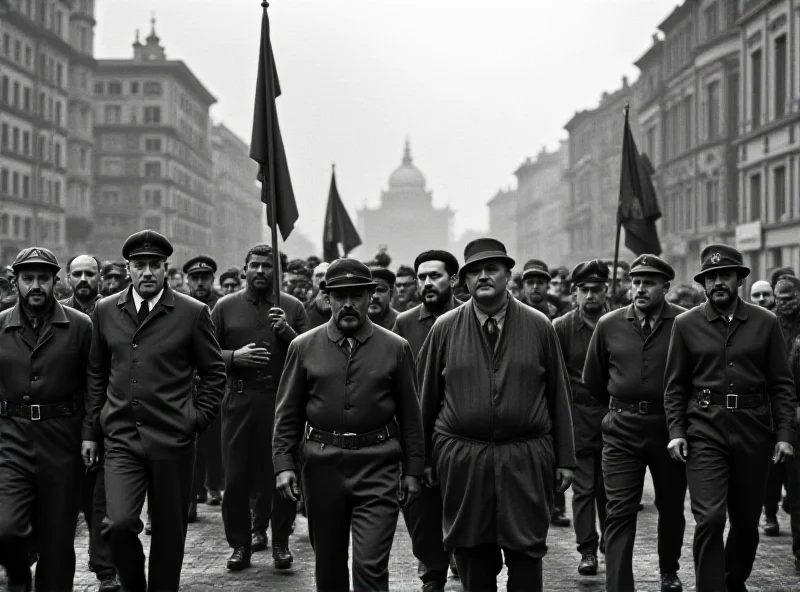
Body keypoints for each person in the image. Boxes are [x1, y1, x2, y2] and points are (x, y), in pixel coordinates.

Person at [418, 238, 575, 592]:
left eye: (492, 269)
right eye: (474, 271)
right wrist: (423, 458)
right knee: (472, 554)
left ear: (508, 275)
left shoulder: (539, 326)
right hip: (463, 459)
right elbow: (426, 398)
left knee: (527, 552)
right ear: (464, 280)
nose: (483, 276)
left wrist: (565, 458)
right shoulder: (444, 328)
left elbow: (559, 396)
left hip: (525, 457)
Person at [84, 230, 226, 592]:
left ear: (166, 269)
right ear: (128, 270)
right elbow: (97, 371)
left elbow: (213, 372)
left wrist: (197, 419)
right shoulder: (105, 310)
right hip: (120, 437)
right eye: (139, 265)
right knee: (117, 523)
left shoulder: (192, 313)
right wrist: (91, 429)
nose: (147, 273)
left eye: (155, 265)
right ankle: (134, 584)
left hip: (173, 439)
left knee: (168, 530)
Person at [273, 259, 424, 591]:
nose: (348, 304)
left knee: (370, 566)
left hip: (378, 466)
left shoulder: (395, 348)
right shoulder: (303, 347)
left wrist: (413, 469)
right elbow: (288, 414)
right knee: (328, 565)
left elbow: (411, 415)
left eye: (357, 295)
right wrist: (284, 464)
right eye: (339, 296)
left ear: (370, 297)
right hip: (322, 466)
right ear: (327, 298)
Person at [664, 243, 796, 592]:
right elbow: (674, 386)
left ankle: (731, 580)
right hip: (704, 429)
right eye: (711, 277)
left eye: (725, 275)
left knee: (745, 521)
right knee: (709, 517)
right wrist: (677, 431)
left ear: (739, 279)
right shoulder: (685, 324)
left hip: (754, 431)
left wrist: (784, 434)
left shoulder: (766, 323)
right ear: (703, 285)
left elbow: (782, 385)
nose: (718, 282)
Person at [583, 254, 686, 592]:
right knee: (619, 510)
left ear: (665, 287)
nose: (640, 289)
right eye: (636, 282)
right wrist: (621, 406)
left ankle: (668, 570)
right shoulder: (609, 324)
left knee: (670, 506)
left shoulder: (684, 324)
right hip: (621, 429)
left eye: (649, 282)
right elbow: (593, 379)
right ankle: (618, 585)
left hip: (669, 428)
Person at [0, 248, 92, 592]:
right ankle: (20, 576)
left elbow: (92, 387)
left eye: (43, 278)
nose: (35, 285)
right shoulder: (0, 325)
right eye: (28, 279)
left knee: (56, 540)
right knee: (6, 528)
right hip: (11, 438)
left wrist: (89, 434)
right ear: (16, 283)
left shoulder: (80, 326)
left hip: (63, 441)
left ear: (56, 282)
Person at [212, 244, 308, 571]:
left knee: (280, 474)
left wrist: (288, 333)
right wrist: (233, 358)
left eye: (268, 267)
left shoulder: (292, 308)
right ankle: (240, 545)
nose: (261, 272)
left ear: (276, 272)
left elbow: (313, 358)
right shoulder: (224, 308)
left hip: (281, 402)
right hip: (238, 401)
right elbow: (203, 356)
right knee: (236, 478)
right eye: (254, 266)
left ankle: (280, 542)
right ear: (244, 270)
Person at [392, 249, 462, 592]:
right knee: (420, 515)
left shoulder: (470, 317)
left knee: (464, 511)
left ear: (453, 279)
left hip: (462, 436)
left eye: (435, 276)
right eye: (422, 277)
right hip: (418, 435)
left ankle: (461, 561)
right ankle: (431, 575)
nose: (427, 283)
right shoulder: (404, 324)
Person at [60, 254, 119, 592]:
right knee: (63, 499)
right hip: (64, 421)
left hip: (104, 419)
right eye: (77, 273)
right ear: (67, 278)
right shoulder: (58, 315)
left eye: (90, 273)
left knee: (102, 500)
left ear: (100, 277)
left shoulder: (113, 312)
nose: (84, 279)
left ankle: (106, 570)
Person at [553, 260, 610, 576]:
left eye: (596, 290)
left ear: (606, 291)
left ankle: (609, 540)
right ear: (575, 293)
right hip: (577, 420)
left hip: (614, 420)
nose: (590, 295)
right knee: (584, 490)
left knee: (610, 490)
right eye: (584, 290)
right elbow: (554, 377)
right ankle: (587, 549)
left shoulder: (618, 323)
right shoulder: (560, 327)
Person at [183, 256, 224, 519]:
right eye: (195, 278)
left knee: (212, 440)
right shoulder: (182, 307)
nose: (200, 283)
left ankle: (213, 486)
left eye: (205, 278)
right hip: (186, 385)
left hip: (212, 383)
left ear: (212, 280)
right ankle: (193, 493)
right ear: (188, 281)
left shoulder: (221, 305)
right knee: (189, 443)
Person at [762, 275, 800, 537]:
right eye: (780, 298)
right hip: (773, 404)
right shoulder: (769, 322)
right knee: (771, 468)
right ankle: (771, 513)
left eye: (790, 298)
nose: (784, 303)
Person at [305, 262, 332, 328]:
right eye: (319, 275)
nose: (323, 279)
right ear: (312, 278)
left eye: (327, 276)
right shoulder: (304, 306)